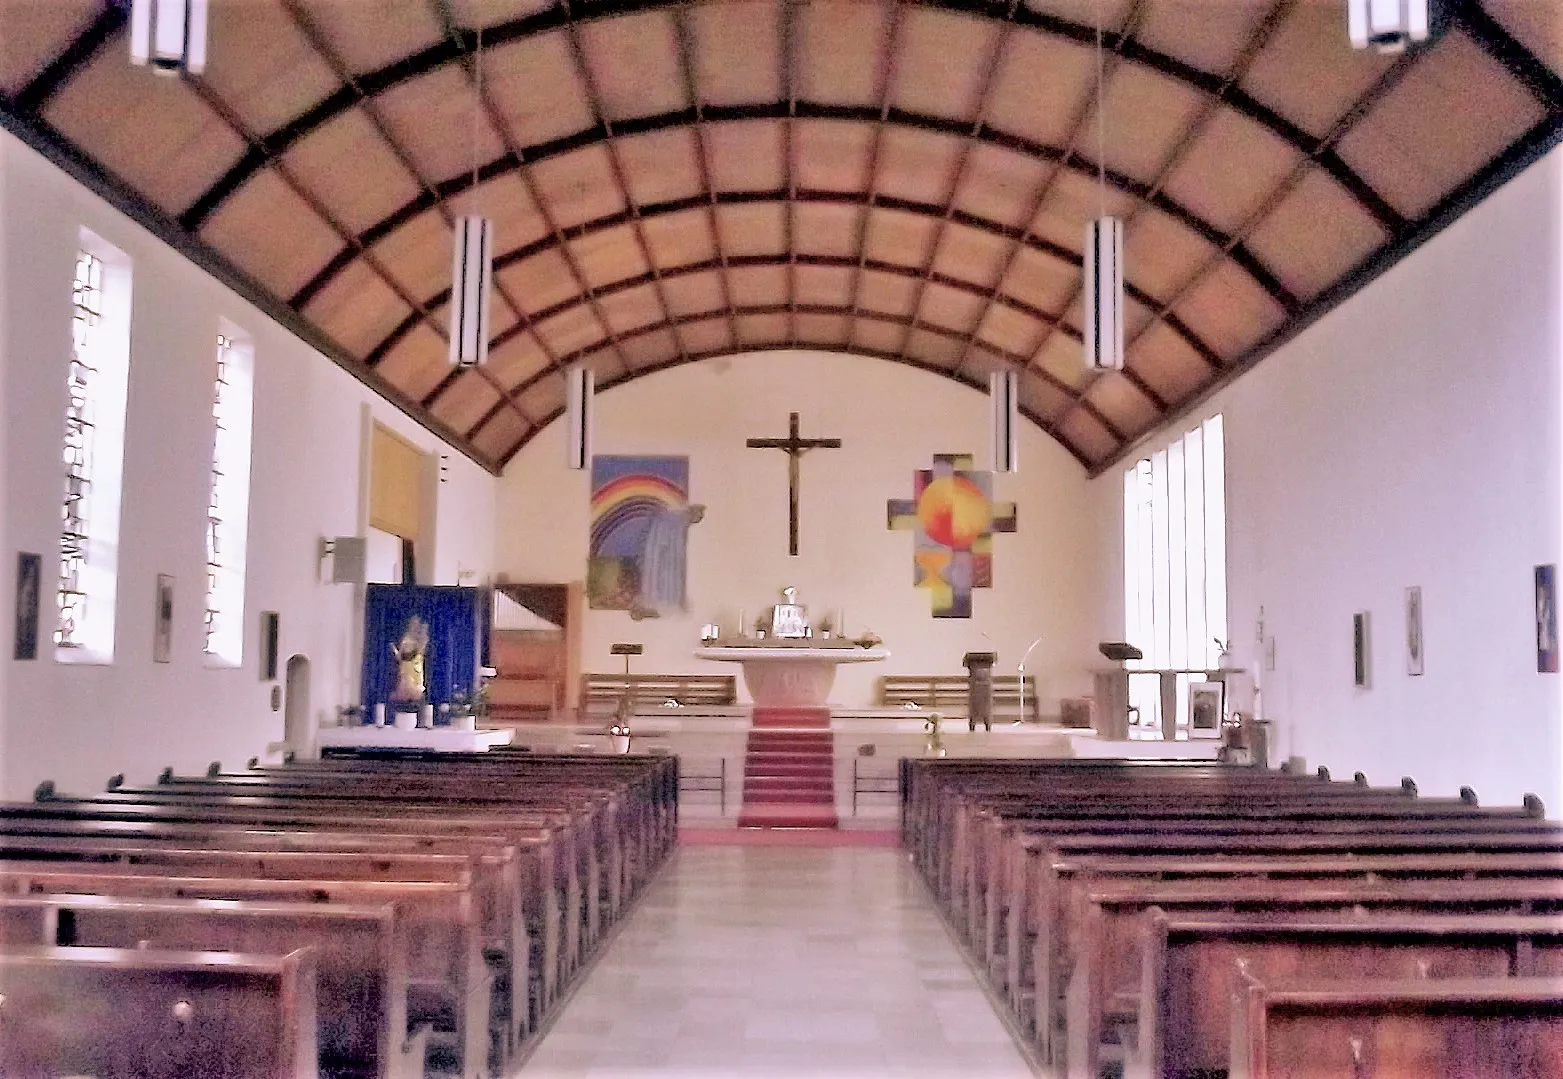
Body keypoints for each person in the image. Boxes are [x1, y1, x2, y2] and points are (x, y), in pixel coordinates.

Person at [631, 504, 705, 620]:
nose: (700, 518)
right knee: (659, 574)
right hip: (661, 558)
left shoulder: (676, 523)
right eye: (699, 515)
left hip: (664, 560)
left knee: (664, 575)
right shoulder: (669, 522)